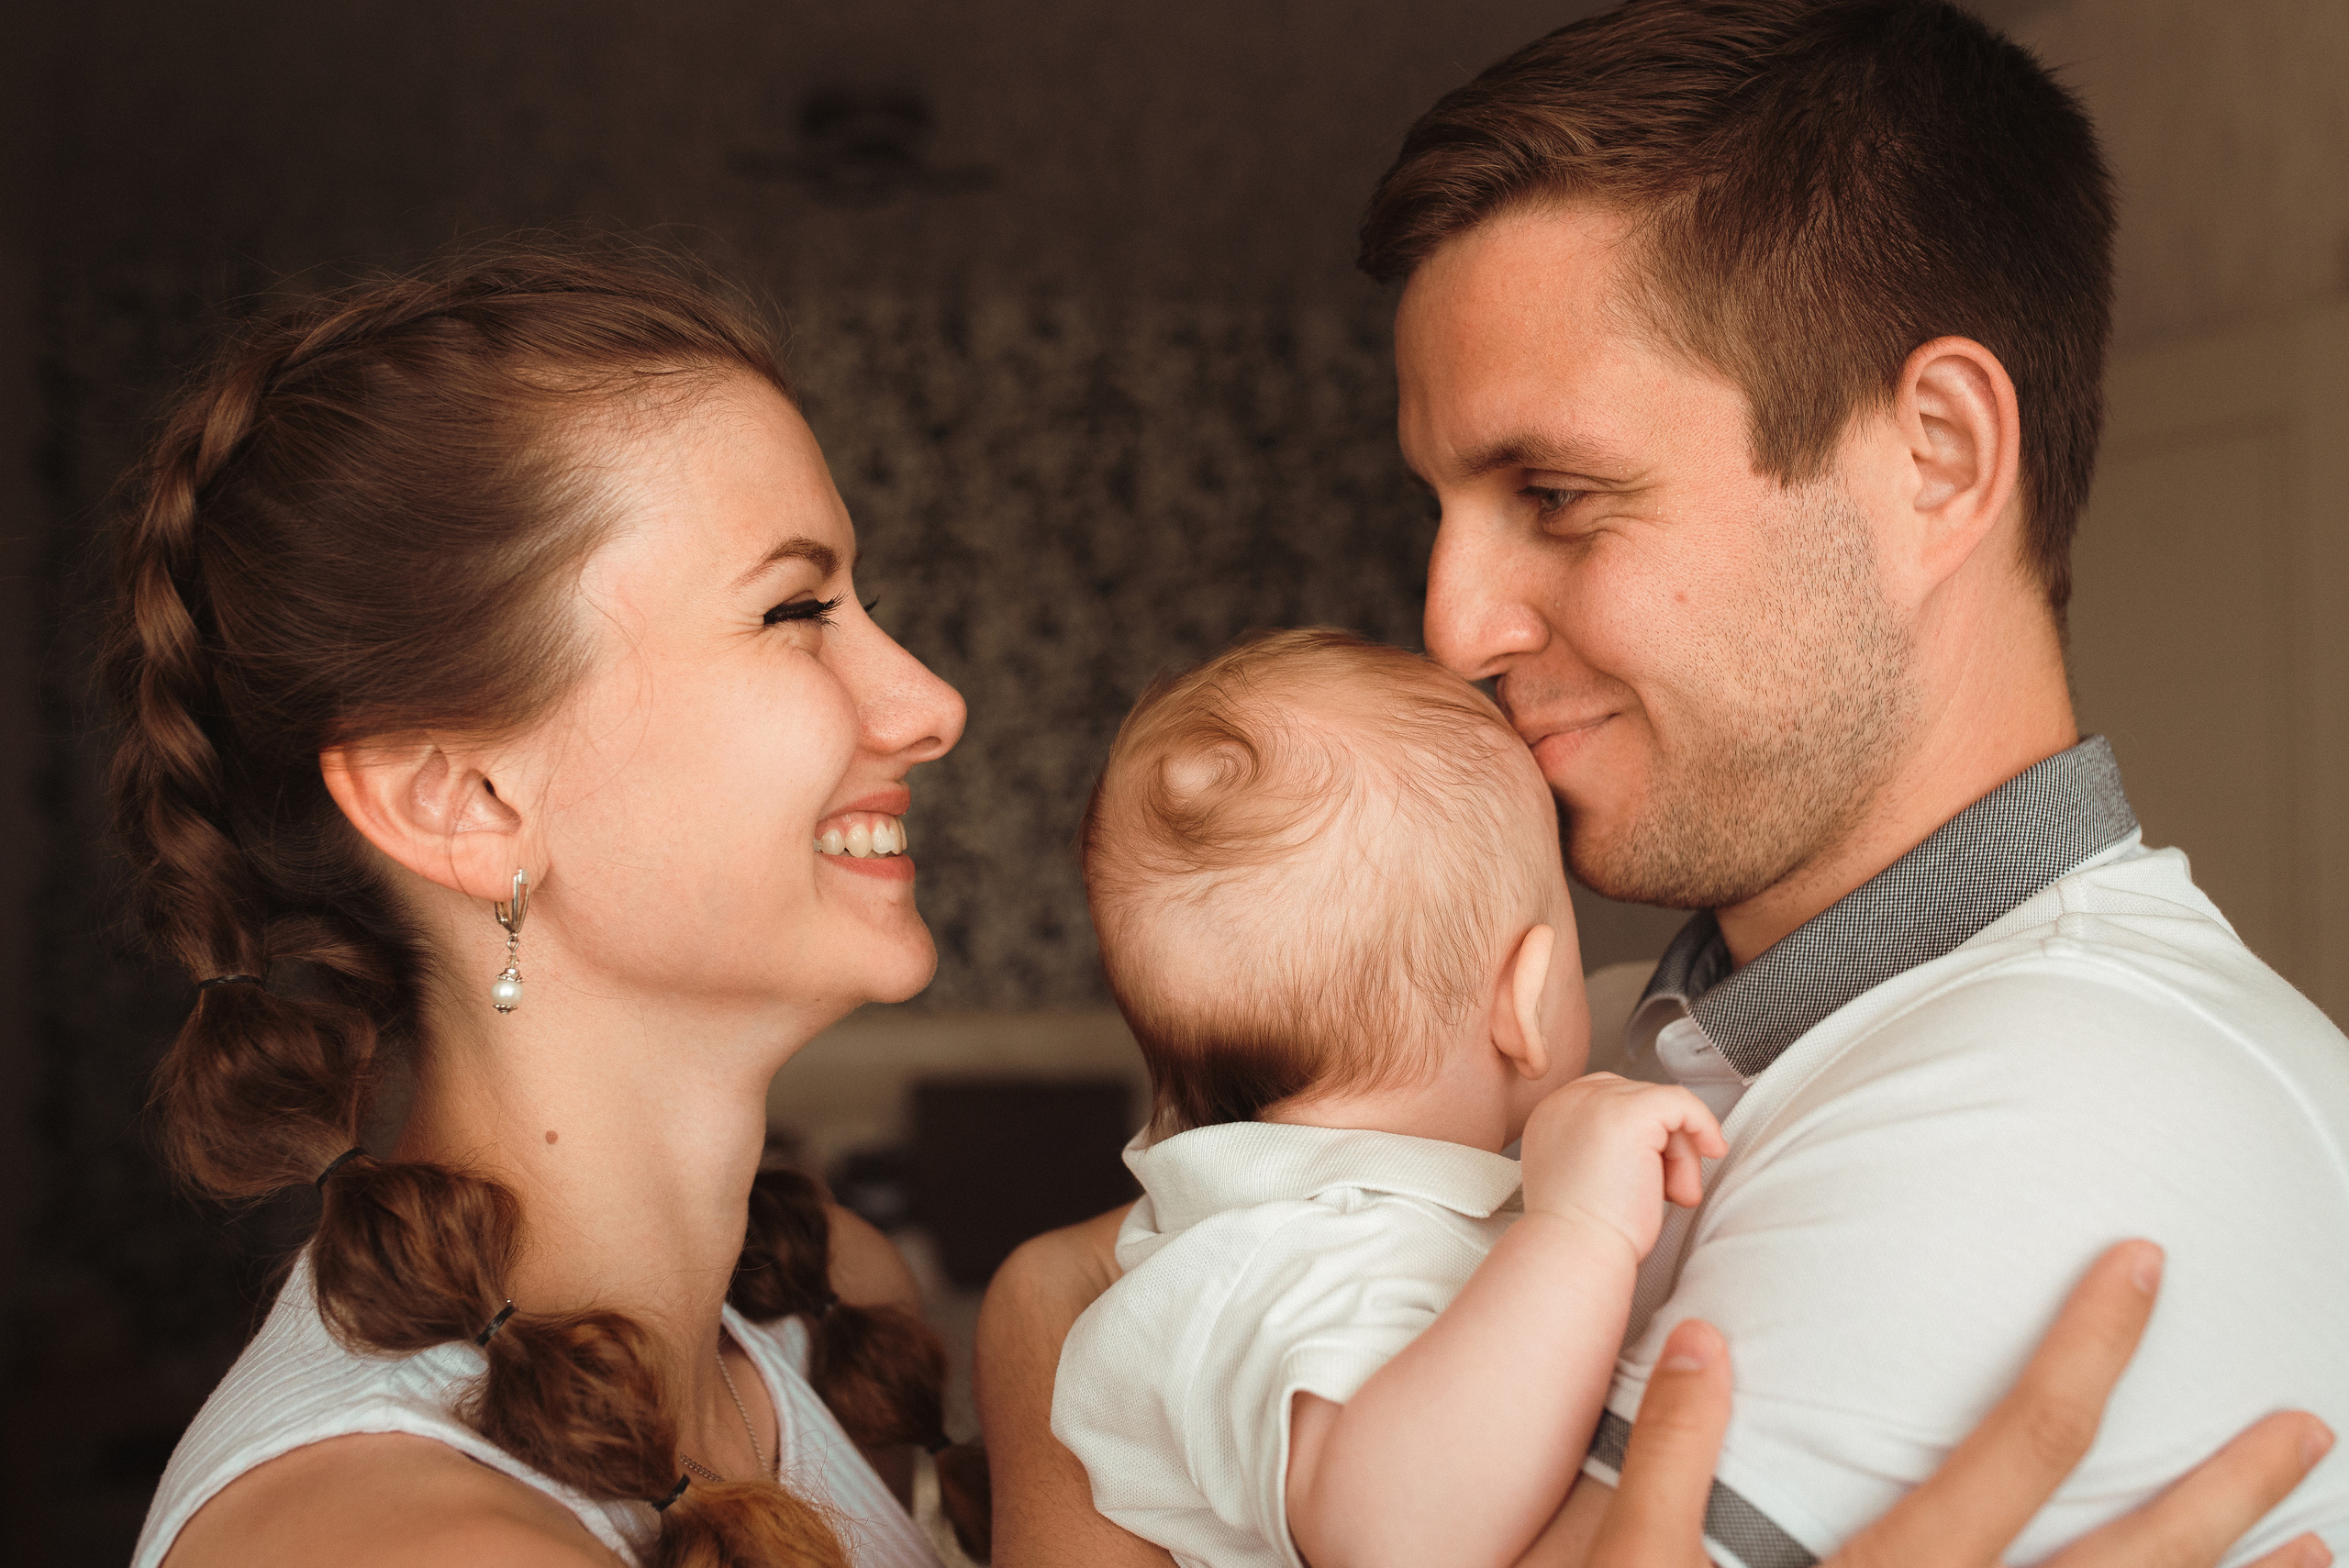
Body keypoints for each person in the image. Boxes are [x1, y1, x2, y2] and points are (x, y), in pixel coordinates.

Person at [975, 1, 2348, 1564]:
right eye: (1444, 504)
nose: (1452, 620)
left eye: (1554, 493)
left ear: (1940, 457)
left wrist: (1050, 1352)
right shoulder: (1663, 1028)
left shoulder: (2058, 1102)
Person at [114, 247, 986, 1567]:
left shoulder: (820, 1301)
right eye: (796, 610)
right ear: (462, 798)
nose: (930, 703)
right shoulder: (398, 1540)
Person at [1054, 628, 1725, 1568]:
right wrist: (1577, 1229)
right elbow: (1396, 1536)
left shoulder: (1327, 1224)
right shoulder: (1278, 1265)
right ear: (1524, 1000)